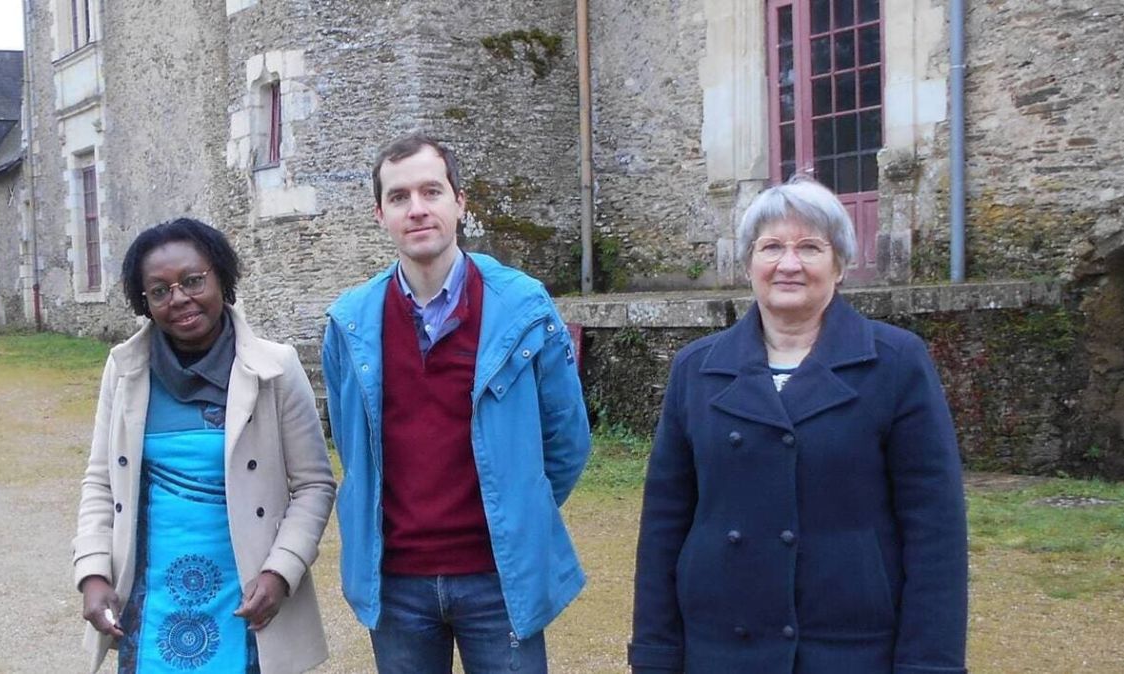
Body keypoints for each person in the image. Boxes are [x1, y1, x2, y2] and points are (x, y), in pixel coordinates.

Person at [628, 177, 968, 673]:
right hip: (720, 649)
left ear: (840, 265)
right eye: (771, 247)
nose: (789, 264)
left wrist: (929, 665)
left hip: (850, 650)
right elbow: (664, 524)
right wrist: (655, 654)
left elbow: (935, 529)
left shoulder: (896, 362)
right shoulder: (696, 368)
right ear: (748, 264)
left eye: (810, 247)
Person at [321, 133, 591, 673]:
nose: (417, 209)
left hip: (498, 577)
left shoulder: (523, 307)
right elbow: (351, 444)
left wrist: (517, 510)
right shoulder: (349, 323)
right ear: (380, 214)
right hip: (397, 583)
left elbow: (566, 440)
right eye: (399, 197)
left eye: (431, 191)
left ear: (459, 202)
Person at [72, 218, 336, 673]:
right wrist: (93, 573)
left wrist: (281, 571)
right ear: (144, 301)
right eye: (159, 290)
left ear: (221, 279)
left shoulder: (275, 369)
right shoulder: (125, 370)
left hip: (247, 601)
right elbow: (101, 481)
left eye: (193, 280)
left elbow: (314, 485)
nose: (178, 298)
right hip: (149, 606)